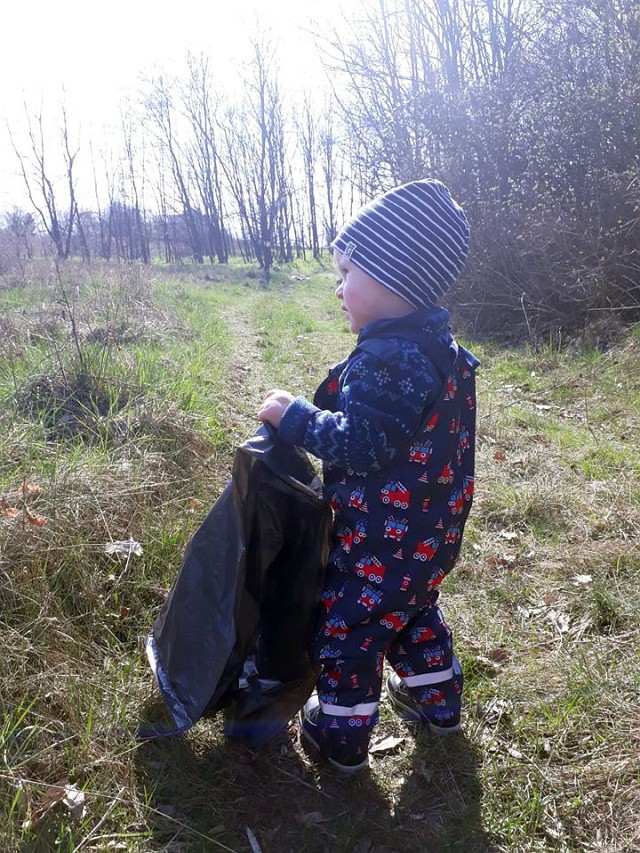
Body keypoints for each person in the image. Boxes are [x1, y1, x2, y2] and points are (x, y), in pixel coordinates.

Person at [258, 179, 478, 773]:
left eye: (347, 272)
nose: (338, 289)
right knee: (413, 610)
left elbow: (362, 443)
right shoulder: (438, 348)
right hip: (431, 536)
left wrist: (296, 417)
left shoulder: (388, 361)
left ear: (392, 279)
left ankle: (339, 737)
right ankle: (440, 704)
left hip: (380, 541)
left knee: (350, 629)